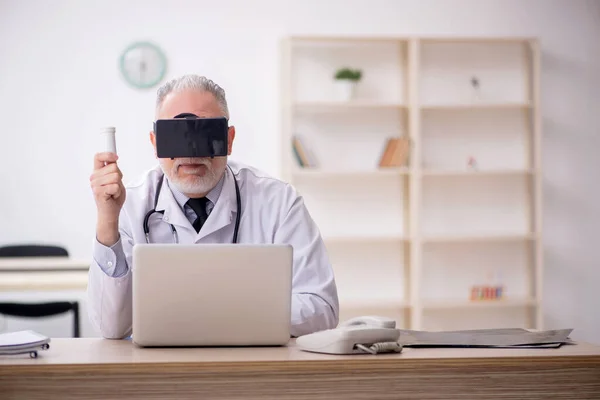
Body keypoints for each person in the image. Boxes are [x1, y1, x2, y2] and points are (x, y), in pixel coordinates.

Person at [87, 74, 339, 339]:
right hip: (157, 371)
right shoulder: (131, 204)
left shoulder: (279, 202)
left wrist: (221, 313)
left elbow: (322, 308)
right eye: (177, 135)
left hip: (250, 367)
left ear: (229, 139)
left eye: (205, 133)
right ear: (155, 143)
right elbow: (110, 327)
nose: (191, 151)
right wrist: (107, 220)